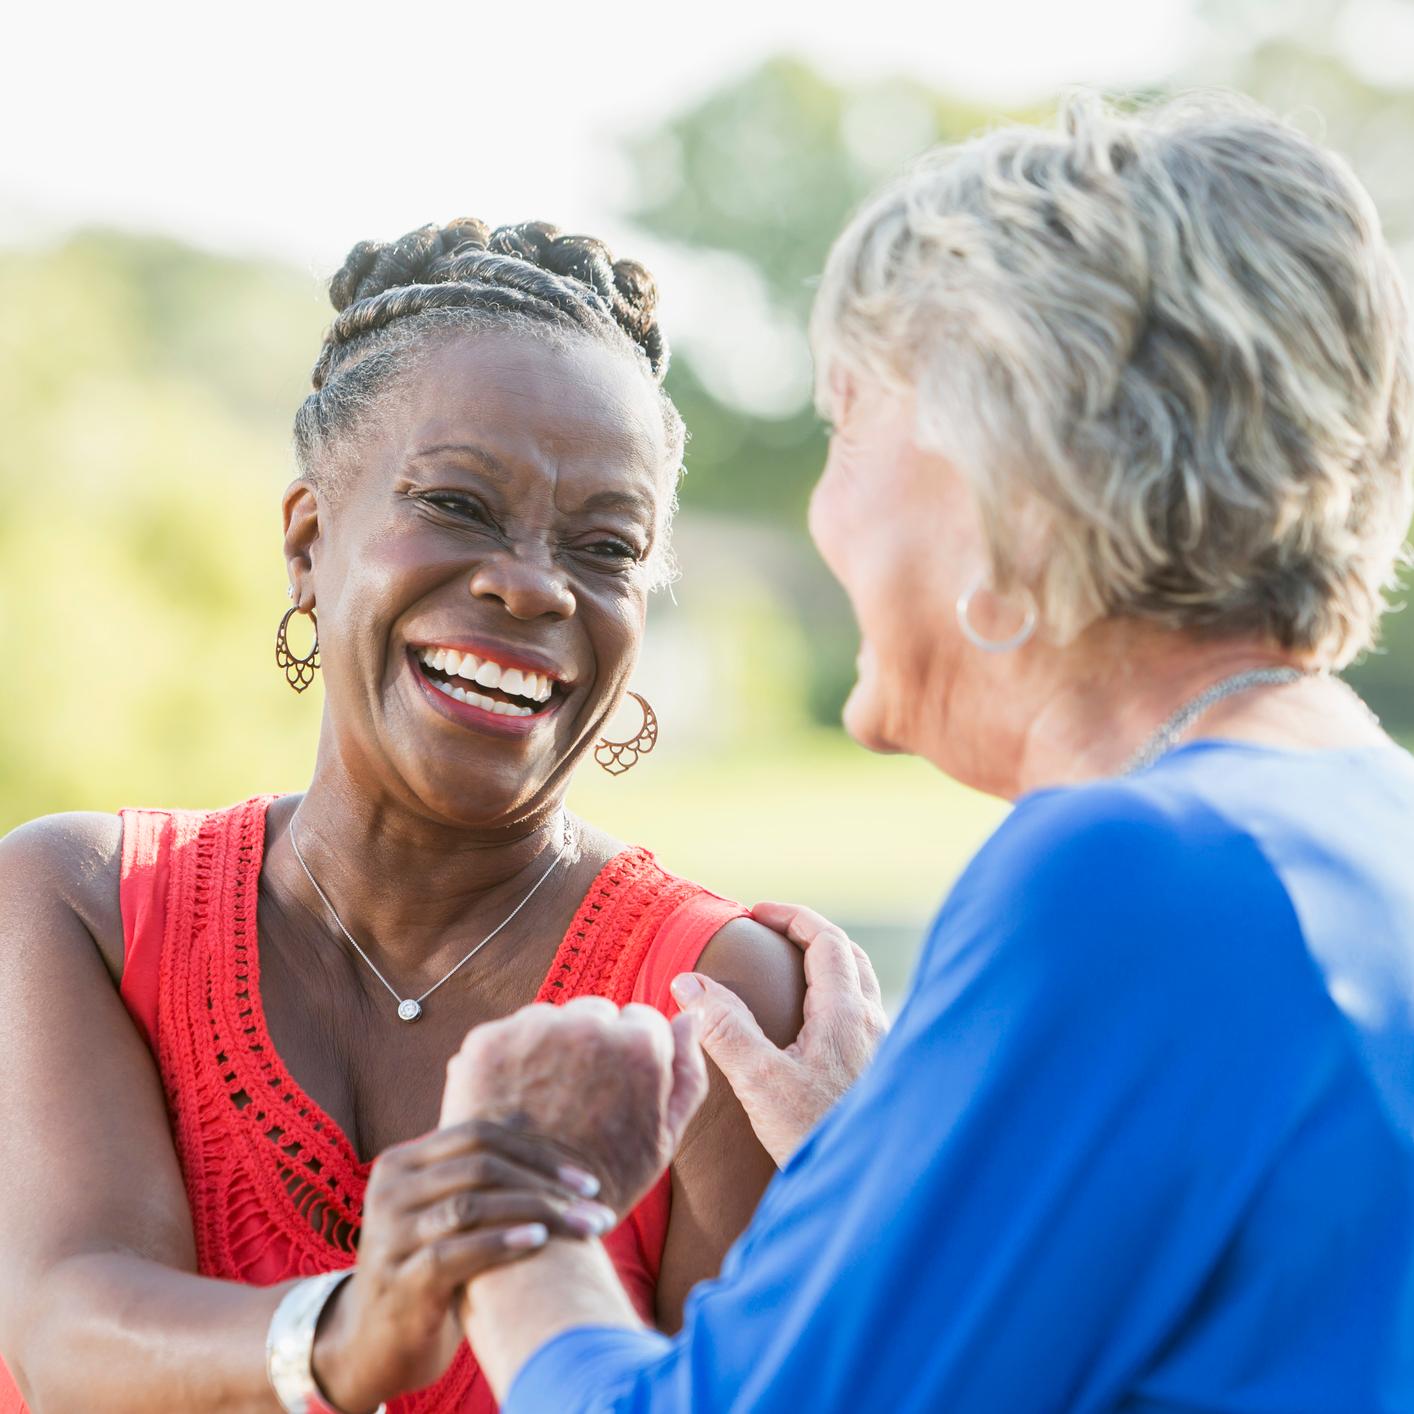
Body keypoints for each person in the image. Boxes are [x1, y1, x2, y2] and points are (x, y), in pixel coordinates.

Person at [434, 95, 1414, 1411]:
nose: (822, 509)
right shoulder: (1358, 822)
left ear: (1007, 495)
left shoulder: (1140, 876)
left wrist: (515, 1198)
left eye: (845, 430)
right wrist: (887, 1161)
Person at [0, 220, 805, 1413]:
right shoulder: (86, 901)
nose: (530, 582)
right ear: (309, 544)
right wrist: (351, 1330)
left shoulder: (714, 1006)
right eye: (458, 505)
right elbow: (71, 1318)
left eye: (604, 546)